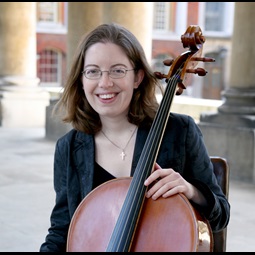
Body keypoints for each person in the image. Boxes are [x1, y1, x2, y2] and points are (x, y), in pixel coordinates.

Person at [39, 22, 230, 252]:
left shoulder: (180, 131)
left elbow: (221, 216)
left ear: (138, 77)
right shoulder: (68, 148)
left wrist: (191, 191)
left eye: (118, 70)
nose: (105, 82)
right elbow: (62, 231)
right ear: (82, 79)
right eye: (93, 71)